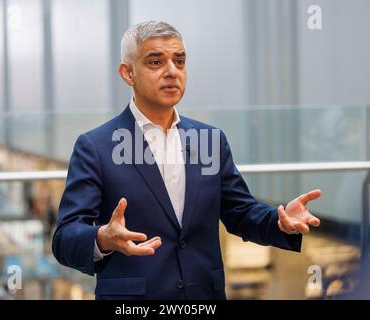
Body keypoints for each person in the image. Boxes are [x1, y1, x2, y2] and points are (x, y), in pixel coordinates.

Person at [52, 21, 322, 300]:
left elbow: (239, 212)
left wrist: (279, 221)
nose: (171, 71)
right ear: (128, 73)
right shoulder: (96, 146)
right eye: (155, 62)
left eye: (179, 61)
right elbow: (64, 239)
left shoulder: (210, 139)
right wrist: (101, 239)